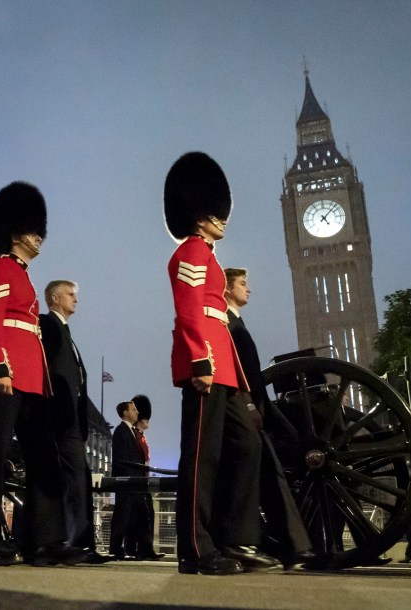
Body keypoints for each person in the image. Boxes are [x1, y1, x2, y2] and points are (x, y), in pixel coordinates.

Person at [0, 182, 86, 567]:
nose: (40, 238)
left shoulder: (24, 277)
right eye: (34, 231)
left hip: (32, 381)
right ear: (16, 233)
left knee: (43, 459)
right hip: (7, 375)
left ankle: (43, 541)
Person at [163, 152, 266, 575]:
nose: (222, 220)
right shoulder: (190, 252)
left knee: (246, 445)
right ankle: (195, 548)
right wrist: (201, 361)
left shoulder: (208, 256)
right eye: (214, 214)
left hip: (224, 365)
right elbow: (189, 311)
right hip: (205, 363)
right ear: (199, 217)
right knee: (201, 457)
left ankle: (229, 537)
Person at [223, 268, 313, 569]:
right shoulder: (228, 324)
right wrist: (251, 407)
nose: (249, 289)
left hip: (254, 408)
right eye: (243, 284)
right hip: (245, 407)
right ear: (226, 289)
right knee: (264, 476)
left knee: (270, 476)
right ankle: (288, 546)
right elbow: (239, 373)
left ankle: (292, 546)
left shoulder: (235, 322)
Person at [39, 281, 109, 564]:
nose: (76, 300)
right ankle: (68, 543)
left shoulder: (66, 334)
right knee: (67, 480)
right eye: (70, 294)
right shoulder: (47, 325)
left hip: (71, 420)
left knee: (79, 480)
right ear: (54, 298)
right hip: (58, 415)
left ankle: (81, 545)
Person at [108, 400, 148, 560]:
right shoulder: (120, 431)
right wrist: (128, 478)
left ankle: (141, 549)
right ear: (125, 412)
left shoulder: (130, 431)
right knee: (122, 516)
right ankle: (116, 548)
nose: (137, 412)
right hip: (127, 482)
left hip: (135, 482)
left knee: (139, 516)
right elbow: (121, 458)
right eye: (134, 409)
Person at [129, 394, 165, 560]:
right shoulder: (134, 435)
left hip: (144, 482)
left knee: (147, 514)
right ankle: (141, 549)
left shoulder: (140, 436)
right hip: (137, 483)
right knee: (142, 516)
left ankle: (144, 549)